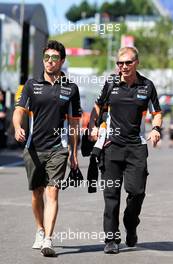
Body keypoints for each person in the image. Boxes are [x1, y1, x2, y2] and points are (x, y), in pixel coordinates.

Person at [89, 46, 162, 254]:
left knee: (137, 192)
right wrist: (94, 126)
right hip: (111, 146)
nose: (123, 67)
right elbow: (98, 107)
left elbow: (156, 112)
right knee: (111, 194)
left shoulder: (147, 86)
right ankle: (111, 239)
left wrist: (156, 128)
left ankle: (131, 225)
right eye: (120, 63)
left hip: (136, 147)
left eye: (128, 62)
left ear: (136, 62)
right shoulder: (111, 83)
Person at [13, 40, 82, 257]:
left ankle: (48, 239)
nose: (50, 62)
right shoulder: (31, 85)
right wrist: (17, 127)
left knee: (53, 192)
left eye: (54, 58)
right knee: (37, 193)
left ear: (62, 61)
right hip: (33, 147)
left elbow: (73, 124)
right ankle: (40, 230)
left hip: (58, 147)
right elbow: (19, 110)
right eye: (46, 58)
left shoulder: (71, 88)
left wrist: (73, 153)